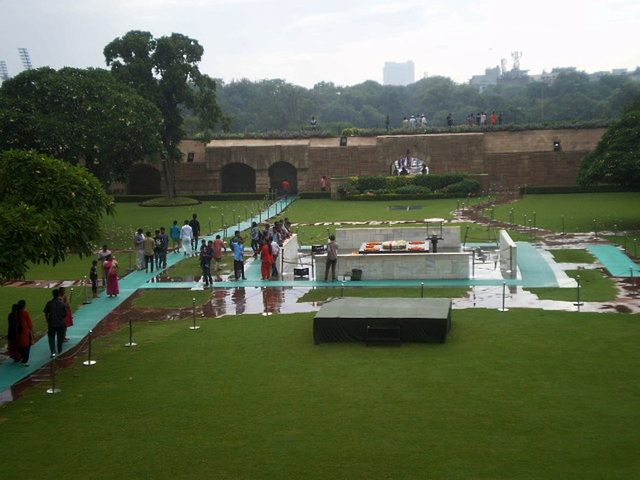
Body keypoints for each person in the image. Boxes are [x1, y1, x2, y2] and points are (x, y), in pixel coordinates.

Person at [43, 289, 67, 357]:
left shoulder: (49, 303)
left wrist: (47, 320)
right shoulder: (62, 303)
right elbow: (65, 314)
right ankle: (59, 350)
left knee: (51, 337)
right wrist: (62, 318)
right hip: (60, 323)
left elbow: (46, 313)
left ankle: (53, 351)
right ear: (58, 295)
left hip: (52, 323)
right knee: (60, 337)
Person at [15, 300, 34, 366]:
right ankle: (25, 360)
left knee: (21, 345)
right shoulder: (25, 313)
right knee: (27, 346)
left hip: (18, 331)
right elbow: (30, 323)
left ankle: (22, 358)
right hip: (25, 331)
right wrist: (32, 330)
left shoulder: (17, 313)